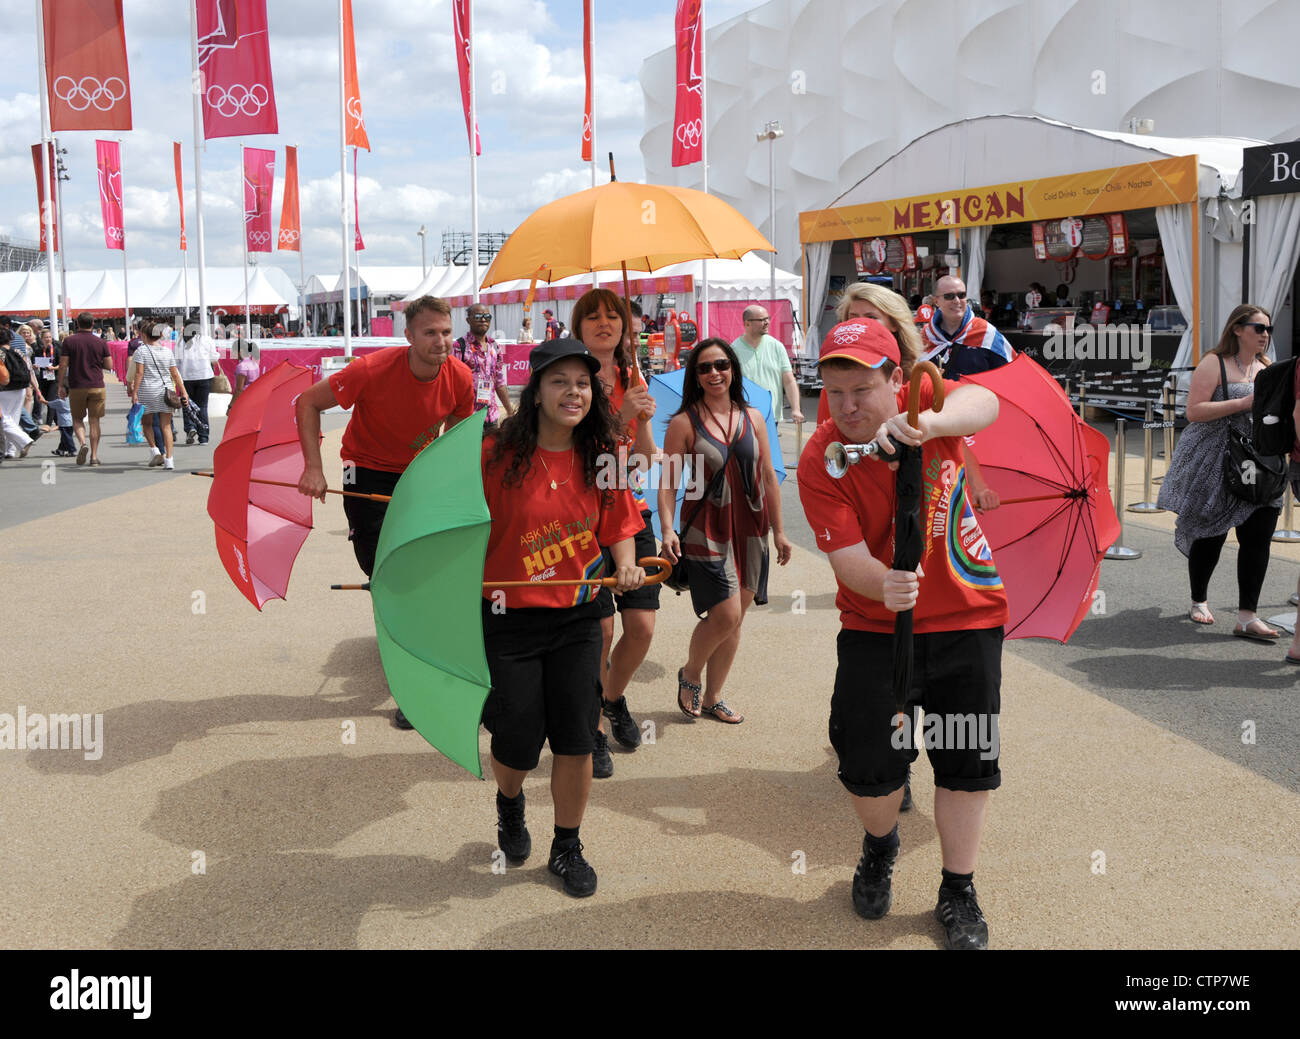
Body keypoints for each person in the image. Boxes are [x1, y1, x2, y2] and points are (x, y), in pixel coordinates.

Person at [797, 318, 1004, 950]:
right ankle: (880, 844)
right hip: (874, 629)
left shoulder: (925, 405)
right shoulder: (821, 457)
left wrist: (930, 425)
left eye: (861, 389)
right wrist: (879, 583)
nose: (847, 407)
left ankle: (958, 888)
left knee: (966, 762)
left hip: (968, 618)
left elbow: (987, 400)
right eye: (833, 393)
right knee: (871, 769)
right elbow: (846, 558)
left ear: (896, 380)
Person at [481, 338, 646, 897]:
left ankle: (567, 845)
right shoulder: (495, 454)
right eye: (559, 382)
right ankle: (509, 804)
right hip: (508, 618)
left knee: (576, 738)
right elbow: (460, 521)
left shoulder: (603, 456)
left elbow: (620, 525)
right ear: (536, 393)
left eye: (582, 382)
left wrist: (625, 566)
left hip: (579, 616)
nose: (572, 392)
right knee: (516, 740)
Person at [296, 295, 475, 729]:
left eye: (446, 332)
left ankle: (419, 676)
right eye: (430, 332)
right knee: (387, 576)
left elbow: (459, 439)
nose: (440, 341)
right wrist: (314, 468)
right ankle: (410, 661)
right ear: (409, 335)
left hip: (418, 476)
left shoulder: (461, 377)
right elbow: (306, 403)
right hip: (367, 473)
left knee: (424, 574)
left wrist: (453, 491)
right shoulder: (370, 369)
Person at [659, 337, 793, 724]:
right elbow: (668, 482)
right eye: (704, 368)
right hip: (707, 527)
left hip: (751, 525)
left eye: (721, 365)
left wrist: (780, 531)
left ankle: (714, 697)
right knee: (725, 613)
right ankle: (691, 673)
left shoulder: (751, 417)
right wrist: (667, 529)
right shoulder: (685, 422)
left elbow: (768, 475)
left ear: (732, 369)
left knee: (738, 617)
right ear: (695, 376)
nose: (714, 373)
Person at [569, 289, 660, 777]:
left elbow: (642, 459)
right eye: (593, 316)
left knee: (642, 627)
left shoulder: (631, 374)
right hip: (587, 516)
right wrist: (623, 417)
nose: (604, 323)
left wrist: (642, 423)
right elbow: (582, 455)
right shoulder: (572, 376)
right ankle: (592, 731)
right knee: (599, 632)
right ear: (578, 325)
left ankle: (612, 698)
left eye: (613, 316)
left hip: (632, 509)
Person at [1157, 304, 1281, 639]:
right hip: (1216, 460)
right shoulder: (1215, 362)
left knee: (1258, 539)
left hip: (1259, 464)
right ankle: (1199, 599)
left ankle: (1247, 615)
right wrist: (1242, 403)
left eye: (1268, 328)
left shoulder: (1267, 367)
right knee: (1210, 532)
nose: (1265, 335)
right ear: (1238, 329)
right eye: (1258, 327)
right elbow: (1194, 411)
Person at [921, 275, 1015, 378]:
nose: (957, 301)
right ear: (936, 301)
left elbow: (1012, 371)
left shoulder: (986, 332)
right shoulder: (924, 337)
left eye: (962, 295)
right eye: (949, 296)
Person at [129, 320, 188, 471]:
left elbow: (139, 373)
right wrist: (184, 392)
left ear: (144, 335)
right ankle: (169, 459)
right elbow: (175, 374)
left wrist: (134, 392)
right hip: (165, 391)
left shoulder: (142, 351)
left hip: (147, 391)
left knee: (147, 423)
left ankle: (154, 449)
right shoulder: (167, 351)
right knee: (166, 426)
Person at [56, 312, 113, 466]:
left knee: (77, 419)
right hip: (97, 385)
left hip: (77, 386)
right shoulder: (100, 342)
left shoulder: (69, 341)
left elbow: (62, 365)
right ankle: (94, 457)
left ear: (77, 323)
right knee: (95, 421)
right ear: (93, 324)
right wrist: (96, 363)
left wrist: (60, 385)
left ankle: (82, 444)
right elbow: (109, 366)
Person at [731, 304, 803, 425]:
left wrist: (796, 409)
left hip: (771, 416)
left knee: (770, 445)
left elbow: (789, 380)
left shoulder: (777, 346)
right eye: (761, 320)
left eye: (767, 318)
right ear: (747, 323)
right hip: (745, 417)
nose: (767, 322)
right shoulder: (733, 350)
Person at [455, 304, 513, 431]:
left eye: (487, 316)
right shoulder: (459, 346)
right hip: (467, 417)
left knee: (490, 451)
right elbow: (451, 383)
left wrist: (509, 410)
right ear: (468, 320)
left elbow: (499, 381)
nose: (483, 320)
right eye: (478, 316)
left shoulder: (495, 346)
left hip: (491, 416)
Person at [177, 327, 219, 445]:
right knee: (202, 406)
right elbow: (214, 358)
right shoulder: (207, 339)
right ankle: (203, 437)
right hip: (204, 375)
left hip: (186, 377)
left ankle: (190, 428)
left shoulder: (181, 341)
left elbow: (177, 361)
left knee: (187, 404)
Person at [34, 329, 59, 429]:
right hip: (43, 377)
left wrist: (54, 368)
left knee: (51, 399)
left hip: (55, 377)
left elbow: (62, 364)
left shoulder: (57, 349)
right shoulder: (38, 350)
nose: (48, 339)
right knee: (47, 398)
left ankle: (48, 423)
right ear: (42, 339)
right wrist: (35, 366)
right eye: (46, 337)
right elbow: (35, 363)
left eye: (49, 337)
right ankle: (58, 423)